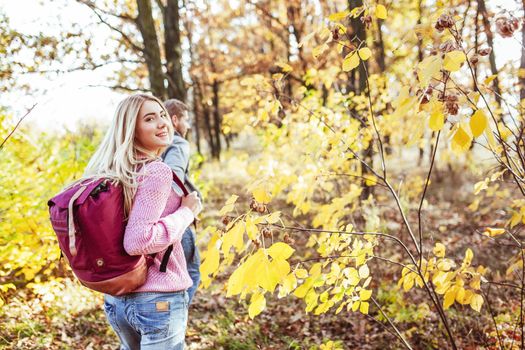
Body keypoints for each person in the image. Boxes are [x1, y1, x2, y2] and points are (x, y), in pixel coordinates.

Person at [83, 93, 202, 349]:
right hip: (157, 298)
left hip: (117, 298)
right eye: (150, 118)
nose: (162, 123)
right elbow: (137, 240)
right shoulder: (156, 170)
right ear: (131, 130)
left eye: (162, 115)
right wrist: (187, 212)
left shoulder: (111, 170)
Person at [161, 99, 201, 304]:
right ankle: (176, 320)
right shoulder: (177, 143)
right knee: (191, 274)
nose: (188, 125)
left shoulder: (155, 145)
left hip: (162, 224)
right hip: (177, 220)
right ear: (175, 120)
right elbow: (172, 178)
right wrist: (184, 210)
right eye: (186, 119)